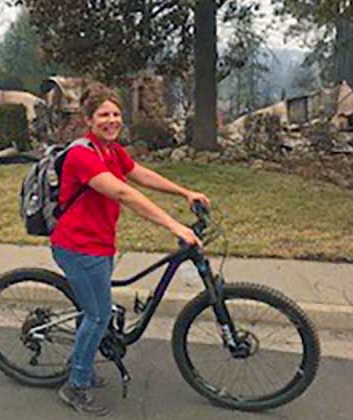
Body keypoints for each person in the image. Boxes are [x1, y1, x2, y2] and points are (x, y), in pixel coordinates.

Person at [52, 85, 209, 416]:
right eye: (103, 115)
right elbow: (125, 194)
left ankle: (82, 358)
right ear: (88, 119)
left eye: (115, 114)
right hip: (78, 247)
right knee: (98, 315)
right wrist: (174, 226)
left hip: (100, 244)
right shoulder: (83, 154)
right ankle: (75, 384)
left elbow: (139, 175)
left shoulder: (111, 150)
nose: (111, 120)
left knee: (95, 310)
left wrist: (185, 192)